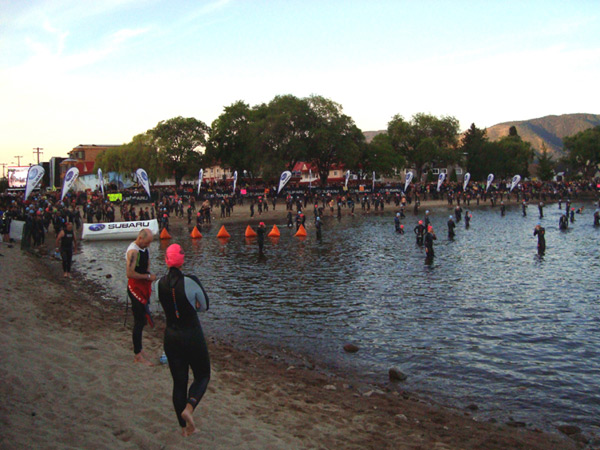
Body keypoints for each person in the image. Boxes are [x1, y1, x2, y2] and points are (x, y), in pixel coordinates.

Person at [157, 244, 211, 437]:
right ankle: (189, 408)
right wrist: (192, 306)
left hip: (171, 337)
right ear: (182, 260)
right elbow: (204, 306)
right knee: (203, 375)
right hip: (191, 335)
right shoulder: (191, 281)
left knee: (179, 383)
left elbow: (159, 303)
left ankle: (185, 428)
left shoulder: (159, 284)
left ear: (166, 261)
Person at [126, 229, 157, 366]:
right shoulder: (133, 252)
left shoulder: (143, 248)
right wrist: (147, 277)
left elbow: (146, 263)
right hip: (135, 288)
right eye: (147, 242)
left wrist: (149, 274)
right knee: (139, 322)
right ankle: (137, 354)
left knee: (142, 320)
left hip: (143, 285)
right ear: (140, 238)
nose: (149, 245)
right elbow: (130, 273)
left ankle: (139, 349)